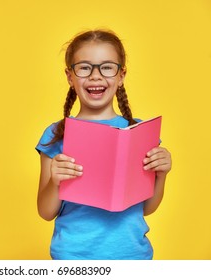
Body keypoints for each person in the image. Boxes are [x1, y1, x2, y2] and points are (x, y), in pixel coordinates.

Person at [35, 29, 172, 260]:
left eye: (107, 67)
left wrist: (162, 174)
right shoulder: (57, 134)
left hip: (132, 255)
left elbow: (146, 209)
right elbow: (45, 211)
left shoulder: (138, 132)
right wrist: (55, 182)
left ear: (121, 76)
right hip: (73, 257)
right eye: (85, 67)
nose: (96, 76)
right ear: (70, 77)